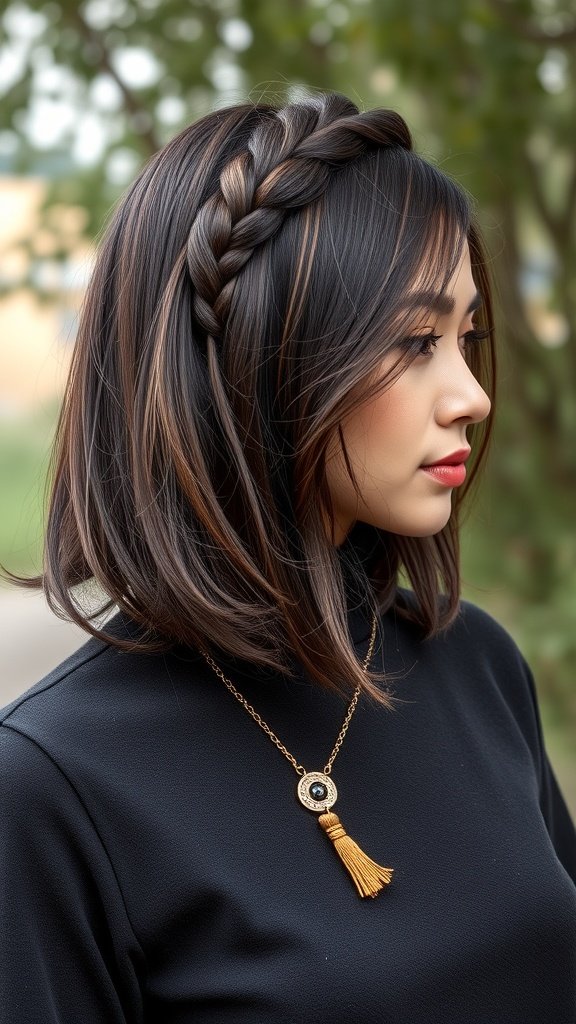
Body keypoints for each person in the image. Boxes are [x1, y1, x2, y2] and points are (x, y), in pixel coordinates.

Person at [1, 91, 575, 1024]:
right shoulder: (51, 789)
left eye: (466, 338)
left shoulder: (476, 666)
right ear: (263, 361)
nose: (470, 392)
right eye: (416, 341)